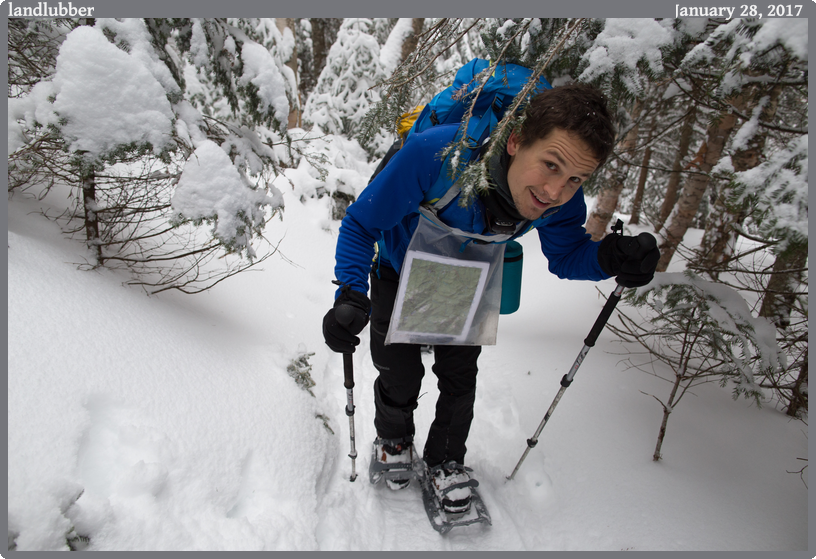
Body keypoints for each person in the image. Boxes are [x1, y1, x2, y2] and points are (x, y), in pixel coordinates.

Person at [322, 83, 659, 514]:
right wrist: (351, 291)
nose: (556, 192)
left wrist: (612, 257)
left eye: (576, 179)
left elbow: (568, 257)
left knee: (459, 380)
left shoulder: (561, 203)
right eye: (551, 166)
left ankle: (446, 460)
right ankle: (393, 439)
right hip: (398, 269)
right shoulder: (436, 155)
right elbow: (361, 223)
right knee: (399, 373)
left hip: (467, 281)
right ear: (516, 141)